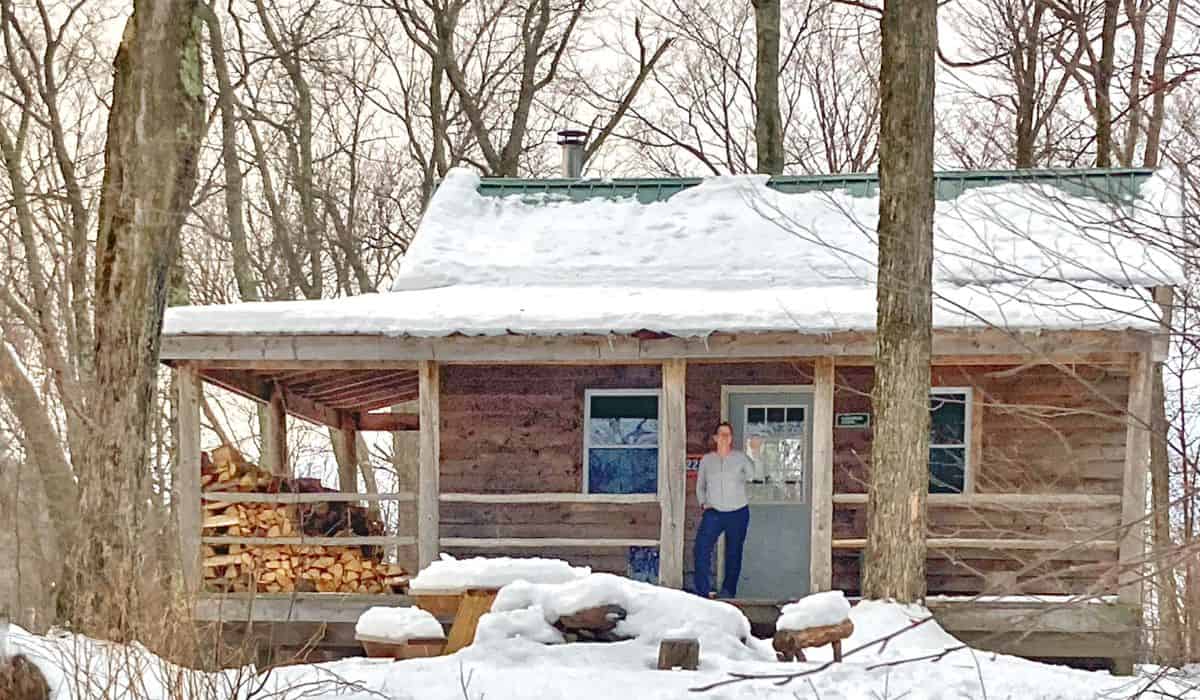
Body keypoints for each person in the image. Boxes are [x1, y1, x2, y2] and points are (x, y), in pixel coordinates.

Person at [693, 421, 753, 598]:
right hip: (714, 512)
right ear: (715, 438)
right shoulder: (707, 460)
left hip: (738, 511)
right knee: (701, 549)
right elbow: (700, 485)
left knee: (733, 552)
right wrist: (703, 503)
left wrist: (754, 452)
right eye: (721, 434)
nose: (724, 438)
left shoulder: (740, 458)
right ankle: (703, 590)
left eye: (728, 435)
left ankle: (728, 592)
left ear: (731, 438)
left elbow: (753, 475)